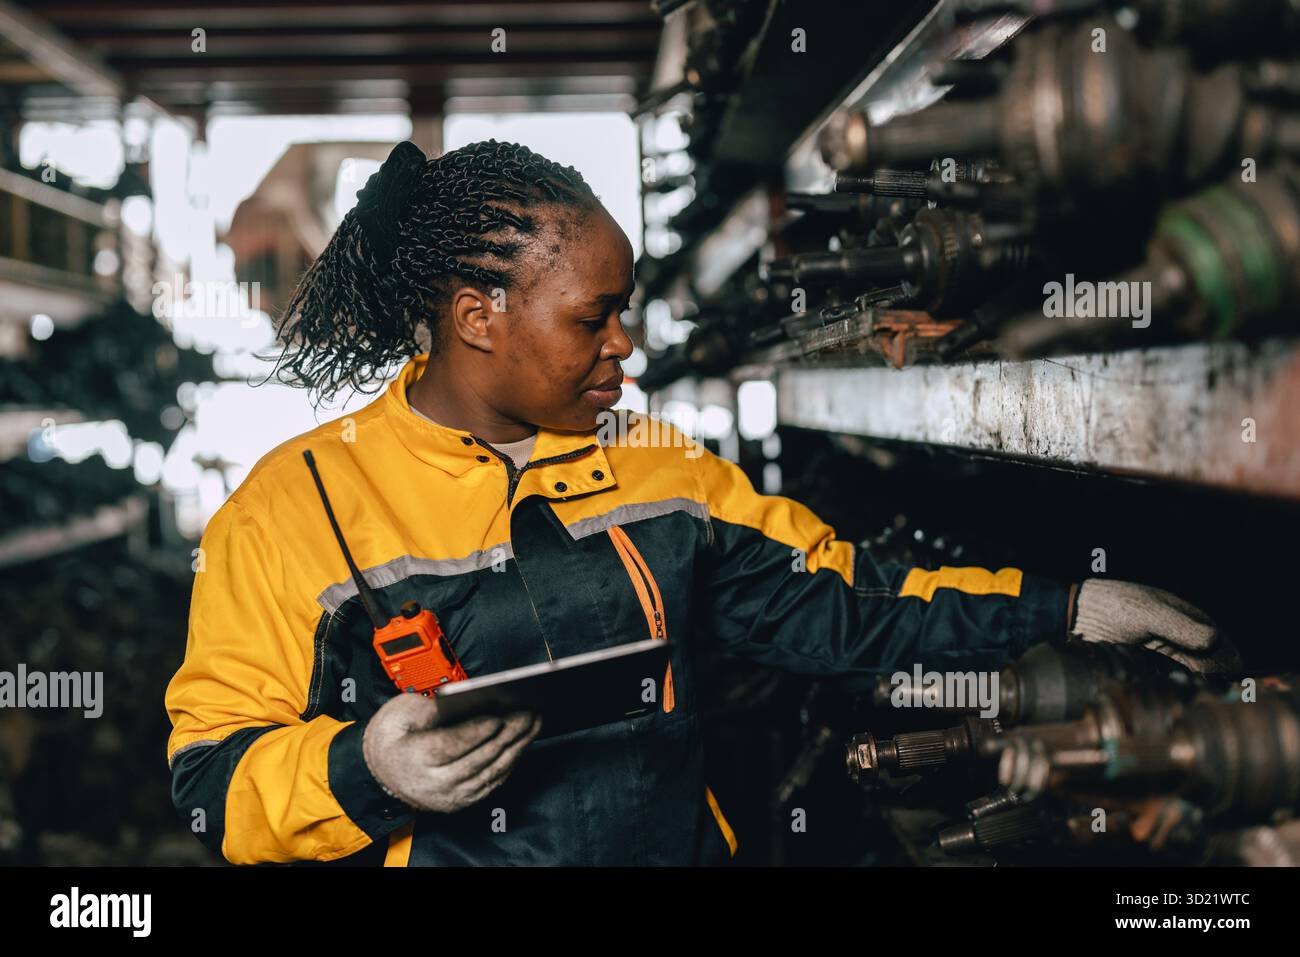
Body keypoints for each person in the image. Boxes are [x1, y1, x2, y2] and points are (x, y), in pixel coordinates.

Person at [164, 139, 1238, 866]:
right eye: (595, 318)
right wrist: (363, 767)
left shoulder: (655, 466)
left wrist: (1068, 609)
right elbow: (212, 783)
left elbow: (845, 600)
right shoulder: (291, 510)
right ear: (477, 317)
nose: (624, 345)